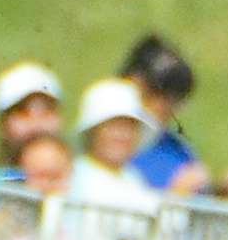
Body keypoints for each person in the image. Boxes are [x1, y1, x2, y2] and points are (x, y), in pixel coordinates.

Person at [119, 36, 223, 197]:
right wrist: (174, 195)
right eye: (162, 96)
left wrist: (218, 192)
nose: (172, 108)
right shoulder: (113, 142)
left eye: (177, 99)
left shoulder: (176, 149)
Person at [68, 78, 166, 207]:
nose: (120, 136)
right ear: (92, 131)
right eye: (112, 126)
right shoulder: (75, 176)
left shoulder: (133, 178)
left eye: (128, 127)